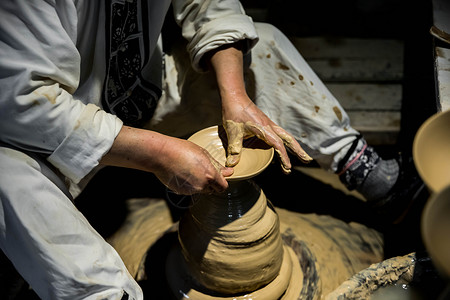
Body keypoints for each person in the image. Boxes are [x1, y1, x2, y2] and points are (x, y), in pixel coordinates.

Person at [0, 0, 423, 299]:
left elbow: (211, 6)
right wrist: (159, 155)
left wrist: (234, 97)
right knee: (6, 176)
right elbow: (21, 102)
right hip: (40, 139)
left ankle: (368, 172)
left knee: (263, 45)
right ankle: (111, 294)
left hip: (134, 94)